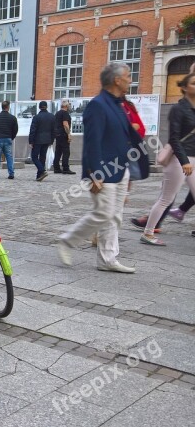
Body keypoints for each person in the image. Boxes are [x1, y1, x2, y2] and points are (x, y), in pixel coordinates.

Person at [58, 63, 149, 273]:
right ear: (116, 80)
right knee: (103, 214)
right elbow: (92, 141)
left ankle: (107, 259)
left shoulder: (118, 104)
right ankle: (67, 240)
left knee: (115, 215)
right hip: (103, 171)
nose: (130, 80)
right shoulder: (98, 105)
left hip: (120, 168)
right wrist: (93, 173)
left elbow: (126, 135)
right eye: (127, 76)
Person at [140, 71, 195, 246]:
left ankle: (176, 213)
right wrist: (184, 160)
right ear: (185, 88)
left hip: (194, 158)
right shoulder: (178, 109)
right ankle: (148, 233)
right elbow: (174, 138)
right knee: (166, 198)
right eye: (193, 83)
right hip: (179, 159)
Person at [0, 100, 18, 179]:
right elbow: (15, 129)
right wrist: (12, 137)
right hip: (8, 138)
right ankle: (11, 173)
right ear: (8, 107)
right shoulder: (12, 118)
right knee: (9, 156)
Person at [29, 101, 55, 182]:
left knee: (34, 156)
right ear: (46, 107)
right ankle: (39, 175)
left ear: (39, 107)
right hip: (47, 139)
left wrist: (31, 141)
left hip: (37, 140)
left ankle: (42, 170)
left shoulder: (36, 117)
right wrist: (52, 140)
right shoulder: (52, 116)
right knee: (42, 157)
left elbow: (33, 130)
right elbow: (54, 130)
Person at [53, 101, 75, 174]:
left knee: (58, 151)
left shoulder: (57, 113)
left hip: (57, 135)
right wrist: (68, 134)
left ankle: (56, 168)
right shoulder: (65, 113)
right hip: (63, 134)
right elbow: (65, 124)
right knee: (66, 152)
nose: (69, 107)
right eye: (69, 105)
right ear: (66, 106)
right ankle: (65, 168)